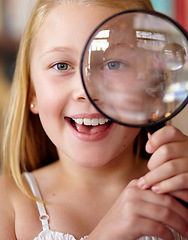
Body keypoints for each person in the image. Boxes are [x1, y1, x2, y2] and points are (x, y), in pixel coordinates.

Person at [0, 0, 188, 239]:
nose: (85, 90)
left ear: (152, 86)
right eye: (61, 65)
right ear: (32, 92)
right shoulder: (7, 204)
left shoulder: (181, 189)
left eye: (114, 64)